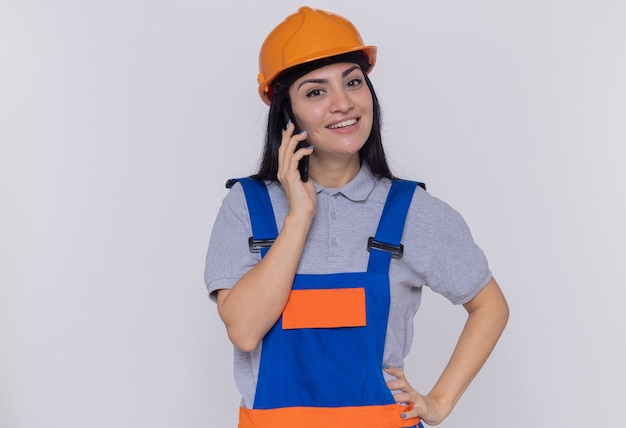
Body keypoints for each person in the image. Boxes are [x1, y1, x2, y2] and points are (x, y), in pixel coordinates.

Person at [204, 6, 509, 428]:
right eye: (316, 92)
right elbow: (244, 330)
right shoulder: (247, 207)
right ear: (286, 114)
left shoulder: (412, 212)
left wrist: (439, 401)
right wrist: (299, 215)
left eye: (352, 81)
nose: (343, 102)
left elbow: (489, 305)